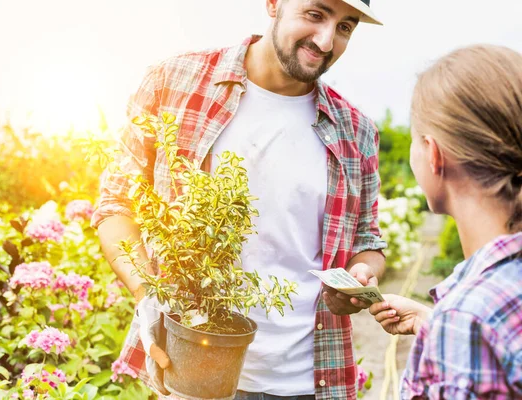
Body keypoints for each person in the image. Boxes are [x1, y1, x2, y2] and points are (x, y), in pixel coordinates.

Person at [92, 0, 387, 398]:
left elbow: (368, 241)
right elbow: (116, 203)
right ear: (273, 4)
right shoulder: (174, 82)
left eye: (345, 27)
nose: (326, 40)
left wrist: (361, 274)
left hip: (308, 380)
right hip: (192, 370)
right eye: (316, 15)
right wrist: (148, 295)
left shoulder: (357, 131)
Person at [369, 44, 522, 399]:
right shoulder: (474, 314)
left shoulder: (468, 319)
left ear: (434, 154)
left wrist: (451, 329)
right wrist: (433, 323)